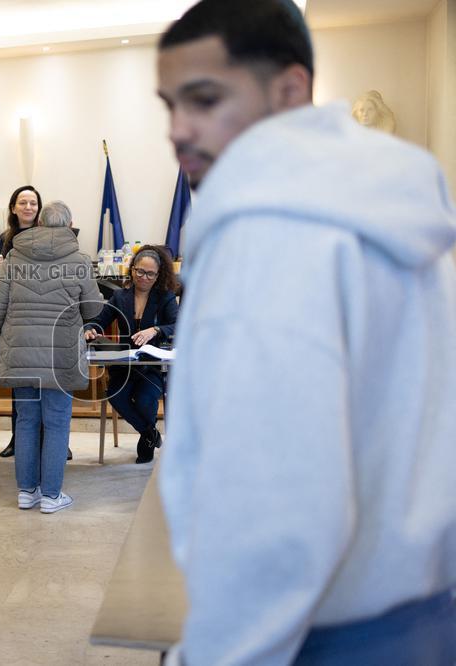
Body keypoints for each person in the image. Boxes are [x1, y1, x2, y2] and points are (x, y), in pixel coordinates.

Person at [156, 1, 456, 663]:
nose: (178, 130)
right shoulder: (396, 209)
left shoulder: (269, 233)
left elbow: (275, 511)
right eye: (170, 105)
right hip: (428, 616)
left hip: (319, 634)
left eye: (205, 100)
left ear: (290, 90)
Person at [0, 201, 102, 513]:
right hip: (60, 355)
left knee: (26, 421)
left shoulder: (13, 257)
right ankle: (52, 496)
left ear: (39, 222)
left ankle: (27, 492)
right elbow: (93, 309)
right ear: (70, 224)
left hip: (19, 352)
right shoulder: (80, 260)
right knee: (56, 423)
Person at [84, 245, 179, 463]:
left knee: (145, 399)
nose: (144, 277)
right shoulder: (120, 297)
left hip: (152, 367)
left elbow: (179, 324)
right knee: (116, 396)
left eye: (150, 274)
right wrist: (90, 329)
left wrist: (156, 330)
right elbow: (98, 321)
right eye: (140, 271)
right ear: (132, 269)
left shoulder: (165, 297)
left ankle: (146, 438)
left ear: (158, 275)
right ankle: (149, 433)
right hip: (124, 366)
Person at [0, 185, 42, 459]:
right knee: (18, 380)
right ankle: (17, 437)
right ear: (13, 207)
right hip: (15, 316)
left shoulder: (47, 236)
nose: (28, 207)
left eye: (33, 203)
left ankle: (52, 438)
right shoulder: (5, 238)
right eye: (23, 202)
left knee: (45, 382)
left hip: (40, 313)